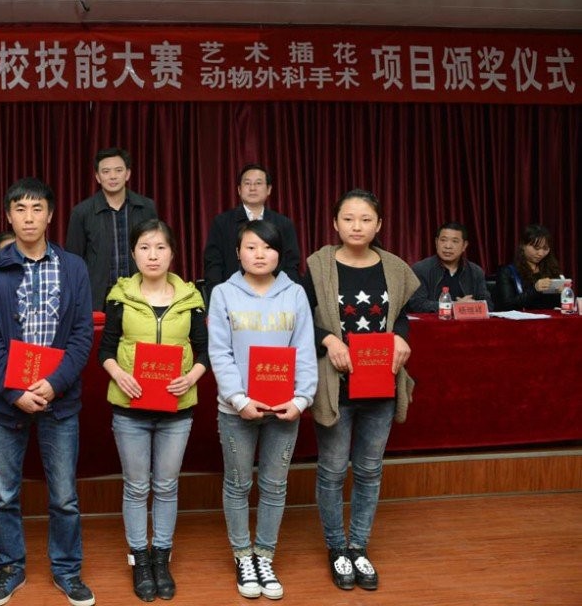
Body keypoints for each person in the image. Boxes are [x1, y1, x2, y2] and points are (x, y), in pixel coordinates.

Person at [0, 177, 96, 606]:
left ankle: (67, 570)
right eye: (20, 209)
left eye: (37, 209)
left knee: (64, 496)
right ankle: (10, 568)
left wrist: (54, 383)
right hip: (8, 402)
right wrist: (15, 392)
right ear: (8, 217)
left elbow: (82, 335)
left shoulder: (73, 267)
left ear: (50, 215)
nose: (29, 217)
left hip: (59, 400)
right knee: (4, 495)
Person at [302, 189, 419, 592]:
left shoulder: (395, 267)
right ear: (335, 223)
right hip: (335, 385)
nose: (357, 226)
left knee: (369, 470)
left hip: (380, 383)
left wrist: (401, 336)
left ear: (379, 224)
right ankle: (337, 548)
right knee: (333, 470)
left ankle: (358, 546)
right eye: (348, 219)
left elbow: (402, 314)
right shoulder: (318, 264)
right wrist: (327, 340)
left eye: (366, 219)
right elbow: (300, 316)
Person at [98, 219, 208, 602]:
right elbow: (105, 349)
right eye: (144, 247)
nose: (153, 255)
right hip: (130, 408)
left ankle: (162, 557)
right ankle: (139, 559)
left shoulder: (191, 299)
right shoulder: (119, 297)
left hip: (177, 409)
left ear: (172, 253)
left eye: (160, 247)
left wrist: (191, 377)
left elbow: (204, 351)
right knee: (136, 487)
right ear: (133, 253)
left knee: (166, 486)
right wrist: (119, 374)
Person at [208, 220, 317, 600]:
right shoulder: (223, 293)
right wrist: (238, 399)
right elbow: (219, 352)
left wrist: (301, 400)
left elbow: (304, 350)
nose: (259, 254)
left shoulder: (295, 294)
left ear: (279, 253)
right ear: (238, 252)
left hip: (284, 409)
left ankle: (264, 555)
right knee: (238, 484)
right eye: (251, 247)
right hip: (236, 409)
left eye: (267, 247)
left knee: (274, 485)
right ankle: (243, 556)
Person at [66, 147, 158, 311]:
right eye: (106, 171)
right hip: (98, 298)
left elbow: (156, 250)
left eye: (118, 170)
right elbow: (73, 260)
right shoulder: (82, 212)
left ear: (127, 174)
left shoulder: (146, 207)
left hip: (140, 293)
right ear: (98, 177)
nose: (113, 176)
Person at [203, 164, 301, 297]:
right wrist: (217, 297)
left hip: (276, 297)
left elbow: (291, 265)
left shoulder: (284, 224)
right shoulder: (222, 222)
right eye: (247, 183)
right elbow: (213, 265)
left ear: (269, 189)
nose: (253, 188)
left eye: (258, 183)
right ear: (239, 189)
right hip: (232, 297)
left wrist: (289, 297)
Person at [407, 222, 493, 312]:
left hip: (467, 321)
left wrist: (472, 305)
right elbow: (417, 304)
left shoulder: (475, 271)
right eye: (443, 240)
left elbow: (488, 305)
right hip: (434, 321)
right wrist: (455, 306)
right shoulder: (421, 269)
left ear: (464, 245)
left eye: (455, 241)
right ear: (436, 242)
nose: (448, 246)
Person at [495, 223, 562, 311]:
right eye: (536, 248)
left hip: (550, 318)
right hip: (521, 319)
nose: (540, 253)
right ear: (523, 245)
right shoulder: (507, 272)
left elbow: (556, 305)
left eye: (545, 249)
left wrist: (562, 293)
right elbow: (506, 305)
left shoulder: (551, 269)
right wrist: (535, 289)